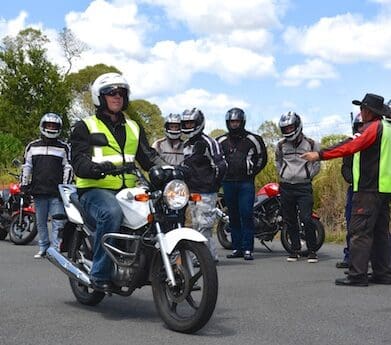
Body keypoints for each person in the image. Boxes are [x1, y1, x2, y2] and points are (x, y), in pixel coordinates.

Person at [70, 72, 165, 292]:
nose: (117, 97)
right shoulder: (85, 126)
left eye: (121, 93)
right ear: (100, 97)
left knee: (160, 207)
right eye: (111, 93)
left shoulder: (133, 126)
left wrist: (167, 168)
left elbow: (148, 155)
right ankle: (100, 273)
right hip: (95, 189)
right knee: (111, 213)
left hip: (128, 190)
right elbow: (78, 159)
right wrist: (94, 168)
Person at [302, 93, 391, 286]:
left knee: (360, 232)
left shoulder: (373, 128)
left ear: (370, 111)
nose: (361, 112)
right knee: (381, 233)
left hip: (368, 188)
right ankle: (382, 274)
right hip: (384, 190)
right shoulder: (389, 128)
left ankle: (357, 275)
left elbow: (351, 146)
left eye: (362, 109)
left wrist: (320, 155)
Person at [217, 108, 267, 260]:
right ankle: (236, 248)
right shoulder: (221, 140)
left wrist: (251, 172)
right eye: (232, 122)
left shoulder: (254, 139)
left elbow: (262, 158)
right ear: (227, 122)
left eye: (237, 121)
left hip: (246, 183)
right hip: (228, 182)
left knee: (246, 214)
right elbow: (216, 159)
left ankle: (248, 249)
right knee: (233, 215)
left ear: (242, 122)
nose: (234, 124)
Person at [20, 113, 73, 258]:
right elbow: (27, 167)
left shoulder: (64, 148)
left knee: (58, 222)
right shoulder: (32, 146)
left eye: (54, 126)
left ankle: (55, 250)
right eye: (48, 125)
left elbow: (68, 168)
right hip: (38, 191)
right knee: (41, 222)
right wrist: (24, 186)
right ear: (43, 126)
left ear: (59, 128)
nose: (51, 128)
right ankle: (43, 247)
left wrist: (65, 188)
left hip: (57, 192)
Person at [180, 108, 227, 263]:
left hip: (206, 192)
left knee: (204, 226)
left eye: (191, 123)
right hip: (191, 191)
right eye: (185, 123)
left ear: (199, 123)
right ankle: (205, 257)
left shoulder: (209, 142)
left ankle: (206, 258)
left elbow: (221, 165)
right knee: (195, 225)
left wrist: (213, 184)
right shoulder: (186, 144)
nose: (188, 126)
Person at [275, 111, 321, 263]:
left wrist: (307, 175)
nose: (288, 131)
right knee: (290, 219)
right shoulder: (281, 145)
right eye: (285, 128)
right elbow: (278, 162)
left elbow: (317, 164)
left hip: (304, 187)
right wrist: (284, 174)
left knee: (307, 219)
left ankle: (312, 250)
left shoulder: (311, 143)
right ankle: (295, 250)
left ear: (298, 125)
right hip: (286, 186)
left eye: (290, 127)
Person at [336, 113, 364, 269]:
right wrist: (352, 179)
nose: (362, 128)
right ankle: (349, 256)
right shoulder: (351, 144)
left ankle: (381, 258)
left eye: (364, 125)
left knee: (378, 225)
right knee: (352, 224)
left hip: (374, 190)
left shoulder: (377, 142)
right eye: (359, 125)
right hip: (355, 189)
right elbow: (345, 166)